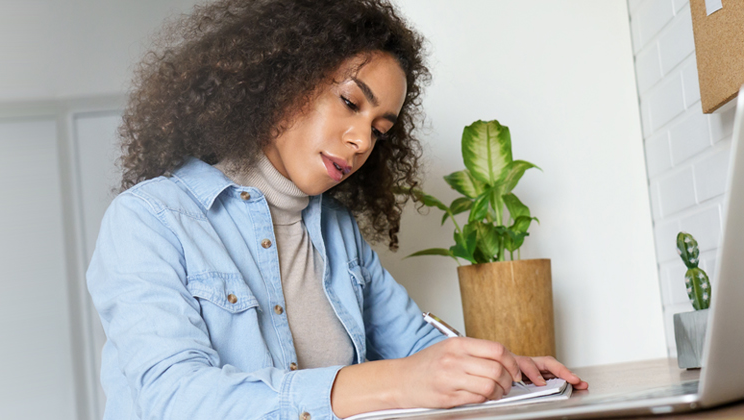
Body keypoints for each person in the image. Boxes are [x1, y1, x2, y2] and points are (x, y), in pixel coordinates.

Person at [86, 1, 587, 419]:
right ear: (283, 82)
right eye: (350, 103)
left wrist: (499, 370)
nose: (361, 140)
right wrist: (394, 383)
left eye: (380, 129)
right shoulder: (149, 220)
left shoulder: (335, 230)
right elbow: (175, 400)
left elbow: (418, 350)